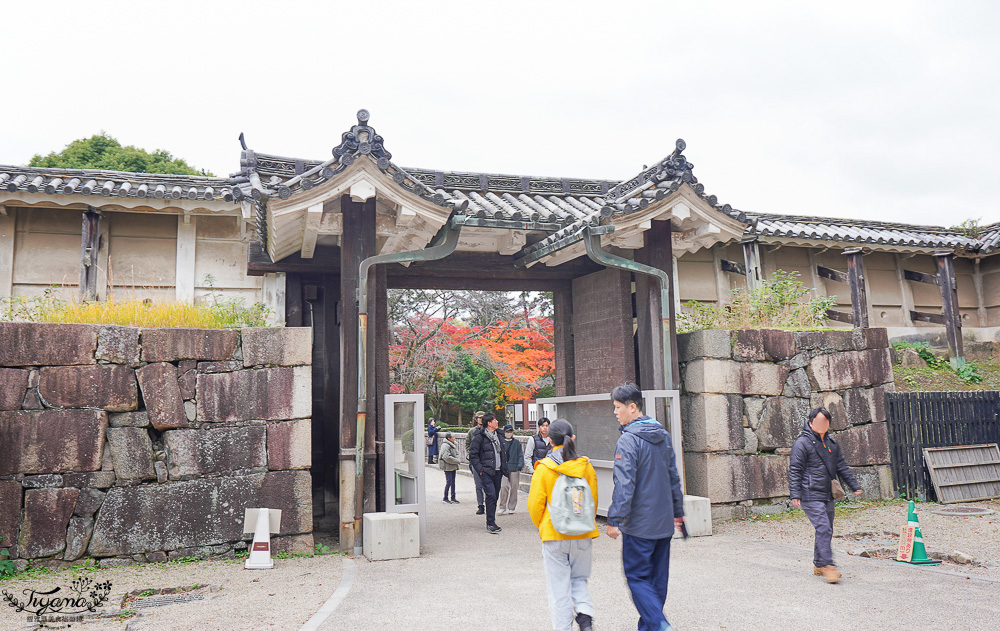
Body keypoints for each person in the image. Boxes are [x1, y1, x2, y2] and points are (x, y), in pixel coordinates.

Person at [606, 383, 684, 631]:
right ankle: (650, 626)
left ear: (632, 407)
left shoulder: (628, 441)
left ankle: (660, 624)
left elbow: (624, 484)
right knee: (657, 581)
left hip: (639, 525)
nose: (615, 412)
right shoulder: (662, 435)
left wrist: (614, 519)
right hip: (663, 523)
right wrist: (678, 511)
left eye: (618, 408)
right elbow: (673, 476)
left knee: (638, 578)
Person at [528, 419, 598, 631]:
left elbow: (535, 505)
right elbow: (592, 499)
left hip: (554, 534)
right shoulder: (585, 466)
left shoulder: (544, 468)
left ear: (549, 440)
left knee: (559, 589)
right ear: (572, 438)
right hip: (582, 534)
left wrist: (542, 526)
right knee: (579, 580)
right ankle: (585, 614)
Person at [789, 407, 863, 584]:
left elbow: (841, 467)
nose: (822, 424)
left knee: (825, 529)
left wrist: (854, 485)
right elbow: (795, 470)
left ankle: (818, 564)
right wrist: (795, 494)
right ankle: (828, 566)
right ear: (811, 422)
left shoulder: (832, 443)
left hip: (827, 493)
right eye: (819, 421)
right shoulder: (802, 443)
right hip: (809, 493)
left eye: (825, 421)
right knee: (824, 528)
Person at [468, 412, 508, 534]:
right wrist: (480, 469)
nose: (497, 422)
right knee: (490, 495)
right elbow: (473, 455)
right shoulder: (479, 437)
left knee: (494, 496)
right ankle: (490, 523)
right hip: (486, 472)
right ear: (489, 423)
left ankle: (492, 520)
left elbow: (504, 451)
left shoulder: (499, 435)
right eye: (494, 420)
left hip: (498, 471)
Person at [498, 424, 524, 515]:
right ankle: (502, 506)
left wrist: (519, 466)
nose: (509, 433)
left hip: (514, 467)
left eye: (510, 431)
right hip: (504, 468)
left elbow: (520, 454)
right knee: (504, 486)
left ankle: (511, 506)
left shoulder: (516, 442)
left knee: (514, 487)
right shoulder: (501, 442)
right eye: (507, 431)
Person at [467, 411, 486, 515]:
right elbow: (467, 443)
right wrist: (471, 456)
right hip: (475, 461)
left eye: (483, 417)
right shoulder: (472, 431)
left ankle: (489, 504)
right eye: (479, 418)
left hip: (486, 462)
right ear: (476, 419)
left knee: (488, 484)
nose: (481, 419)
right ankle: (480, 505)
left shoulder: (488, 430)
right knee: (478, 485)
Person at [438, 432, 460, 503]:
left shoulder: (452, 444)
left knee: (453, 482)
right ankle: (445, 498)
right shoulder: (445, 445)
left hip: (452, 465)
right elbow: (446, 457)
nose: (454, 438)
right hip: (447, 466)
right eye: (453, 437)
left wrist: (456, 460)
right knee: (449, 481)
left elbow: (456, 454)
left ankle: (453, 497)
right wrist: (456, 460)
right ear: (449, 438)